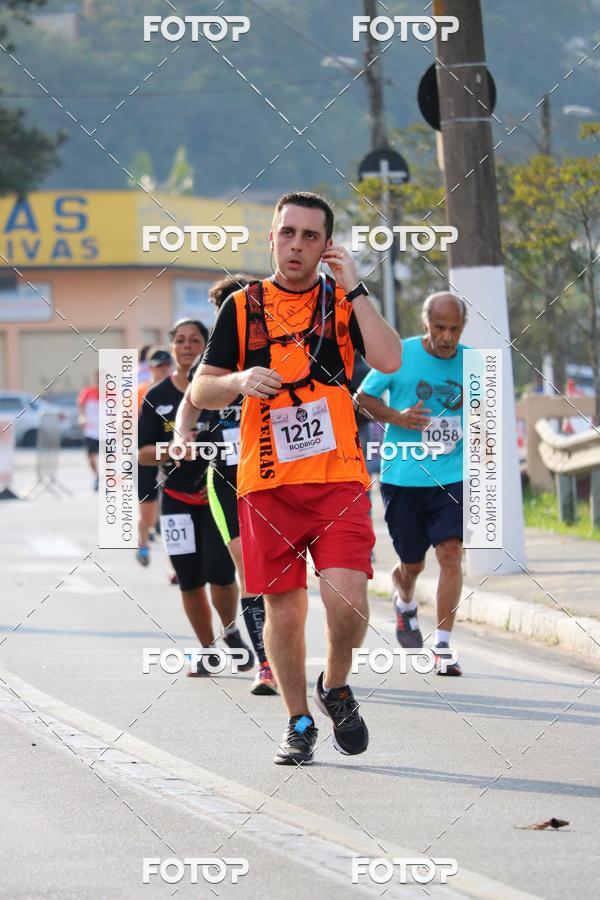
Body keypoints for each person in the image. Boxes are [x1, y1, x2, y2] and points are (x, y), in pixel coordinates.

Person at [190, 191, 401, 764]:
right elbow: (199, 388)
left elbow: (389, 360)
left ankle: (334, 686)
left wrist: (355, 287)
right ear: (273, 238)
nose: (297, 245)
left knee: (350, 603)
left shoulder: (343, 302)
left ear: (325, 245)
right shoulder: (243, 307)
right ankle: (298, 720)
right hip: (265, 484)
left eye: (311, 236)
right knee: (284, 609)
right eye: (288, 233)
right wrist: (237, 382)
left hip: (338, 479)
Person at [174, 274, 278, 696]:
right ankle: (267, 665)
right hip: (226, 481)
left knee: (277, 576)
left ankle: (282, 647)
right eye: (224, 314)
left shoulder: (273, 350)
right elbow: (190, 403)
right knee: (250, 572)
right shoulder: (214, 364)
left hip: (272, 477)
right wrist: (183, 434)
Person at [356, 292, 467, 676]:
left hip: (452, 476)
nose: (447, 336)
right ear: (426, 324)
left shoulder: (474, 364)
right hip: (403, 476)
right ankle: (404, 601)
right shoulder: (398, 355)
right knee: (412, 564)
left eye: (454, 328)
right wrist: (397, 418)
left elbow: (488, 422)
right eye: (440, 327)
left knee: (451, 553)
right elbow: (363, 398)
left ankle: (443, 645)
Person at [138, 318, 254, 677]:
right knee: (189, 579)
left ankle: (231, 631)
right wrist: (172, 448)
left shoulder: (223, 389)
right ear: (172, 347)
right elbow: (141, 452)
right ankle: (207, 651)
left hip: (219, 498)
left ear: (207, 345)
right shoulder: (158, 397)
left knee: (221, 575)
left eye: (195, 340)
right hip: (177, 499)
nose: (187, 346)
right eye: (181, 341)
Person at [136, 348, 173, 567]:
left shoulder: (180, 389)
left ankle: (175, 565)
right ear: (150, 368)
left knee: (170, 512)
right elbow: (126, 424)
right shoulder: (142, 391)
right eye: (158, 366)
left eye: (166, 365)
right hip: (148, 455)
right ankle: (143, 542)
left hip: (171, 456)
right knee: (148, 512)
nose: (162, 369)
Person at [77, 371, 100, 491]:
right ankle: (97, 476)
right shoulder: (87, 392)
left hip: (107, 432)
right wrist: (82, 418)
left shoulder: (112, 394)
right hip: (91, 431)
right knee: (91, 456)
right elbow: (81, 407)